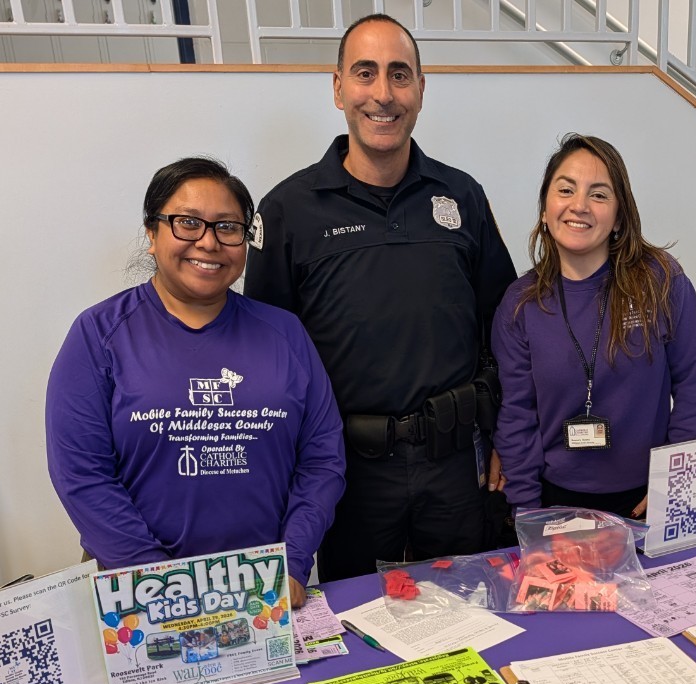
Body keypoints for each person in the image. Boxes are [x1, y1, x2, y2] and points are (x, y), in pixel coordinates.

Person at [244, 14, 516, 581]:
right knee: (364, 632)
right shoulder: (288, 210)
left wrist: (509, 439)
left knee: (475, 612)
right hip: (348, 476)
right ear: (339, 86)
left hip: (456, 469)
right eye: (365, 73)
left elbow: (507, 326)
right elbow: (268, 360)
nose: (383, 94)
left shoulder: (462, 197)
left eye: (399, 75)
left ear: (421, 89)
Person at [46, 157, 345, 608]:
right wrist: (158, 581)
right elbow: (82, 477)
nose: (208, 242)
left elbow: (323, 459)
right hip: (141, 595)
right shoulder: (98, 335)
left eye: (227, 227)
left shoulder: (285, 333)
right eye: (187, 223)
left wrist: (293, 560)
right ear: (151, 232)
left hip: (266, 589)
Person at [492, 133, 696, 519]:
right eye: (566, 190)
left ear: (618, 217)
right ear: (545, 208)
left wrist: (672, 486)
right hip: (554, 504)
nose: (579, 206)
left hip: (645, 502)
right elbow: (517, 417)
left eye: (598, 195)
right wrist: (527, 512)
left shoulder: (660, 282)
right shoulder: (520, 304)